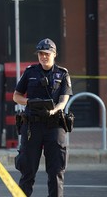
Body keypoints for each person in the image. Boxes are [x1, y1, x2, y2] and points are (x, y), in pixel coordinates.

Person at [13, 38, 73, 197]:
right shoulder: (30, 72)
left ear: (54, 54)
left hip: (54, 126)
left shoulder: (62, 73)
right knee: (27, 171)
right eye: (40, 54)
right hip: (32, 126)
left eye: (47, 54)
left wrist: (54, 110)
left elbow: (63, 100)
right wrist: (29, 102)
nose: (43, 57)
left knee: (56, 172)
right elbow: (16, 96)